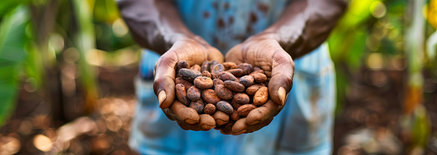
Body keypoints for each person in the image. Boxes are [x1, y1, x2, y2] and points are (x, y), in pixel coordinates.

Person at [117, 0, 346, 154]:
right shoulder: (192, 82)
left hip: (292, 58)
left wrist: (279, 40)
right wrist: (173, 38)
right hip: (170, 55)